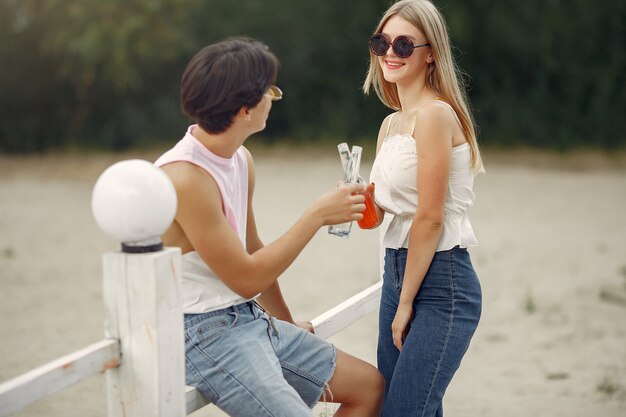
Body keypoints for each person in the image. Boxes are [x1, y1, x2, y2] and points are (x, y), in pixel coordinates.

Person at [154, 38, 384, 417]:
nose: (274, 98)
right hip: (202, 333)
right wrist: (315, 216)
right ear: (245, 109)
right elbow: (245, 278)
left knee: (370, 389)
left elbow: (254, 251)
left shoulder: (239, 158)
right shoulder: (184, 178)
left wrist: (285, 323)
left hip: (247, 318)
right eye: (270, 91)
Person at [361, 1, 484, 416]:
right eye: (382, 42)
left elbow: (430, 219)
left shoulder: (435, 116)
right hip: (396, 271)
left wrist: (406, 302)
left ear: (430, 52)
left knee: (404, 411)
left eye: (403, 44)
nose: (390, 53)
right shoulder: (391, 123)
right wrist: (358, 201)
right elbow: (382, 215)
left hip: (440, 282)